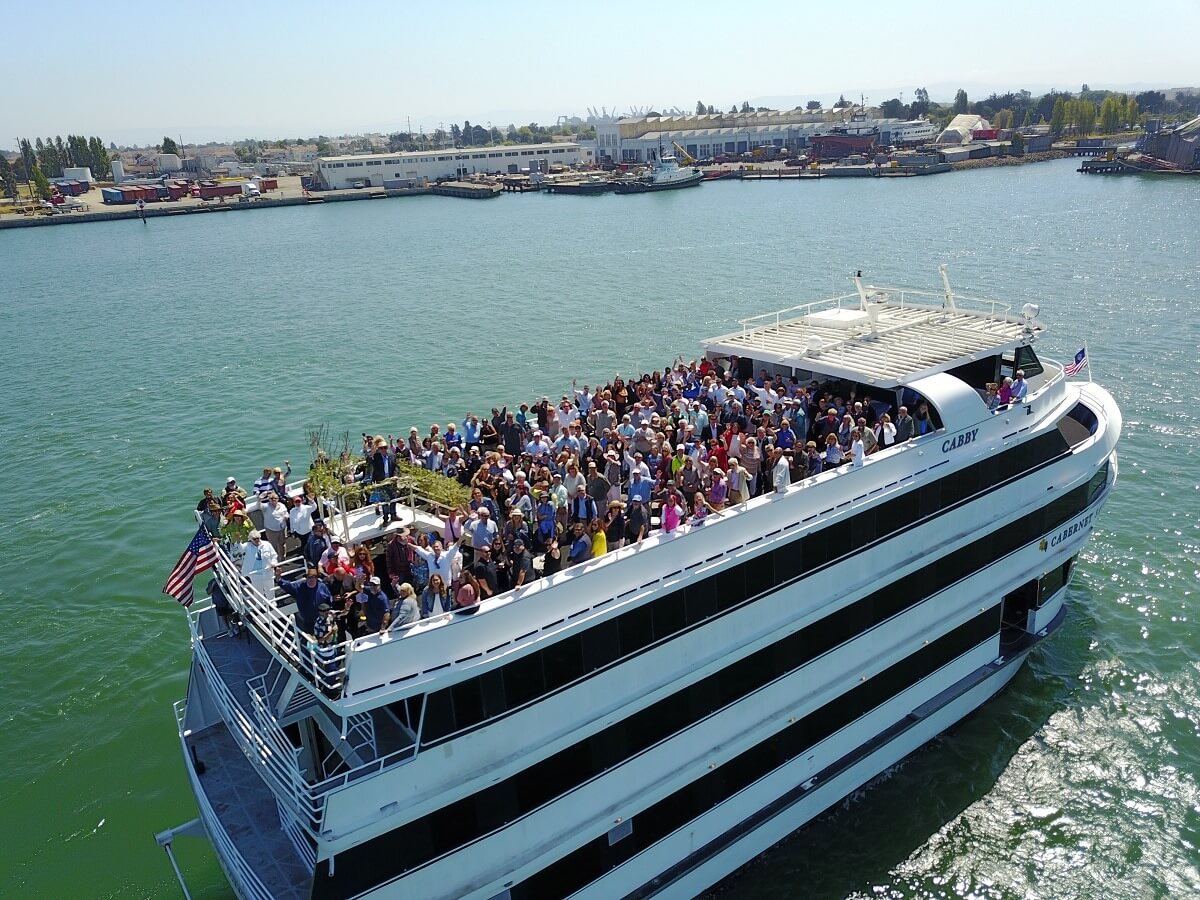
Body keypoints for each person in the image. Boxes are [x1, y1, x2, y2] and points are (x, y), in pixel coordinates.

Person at [277, 567, 332, 635]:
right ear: (306, 578)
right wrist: (279, 578)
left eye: (313, 577)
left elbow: (329, 599)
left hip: (322, 618)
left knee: (325, 634)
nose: (311, 579)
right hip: (307, 619)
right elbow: (288, 586)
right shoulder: (299, 587)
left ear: (316, 578)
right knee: (310, 635)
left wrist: (328, 610)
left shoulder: (323, 587)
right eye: (309, 577)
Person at [240, 530, 278, 598]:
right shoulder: (247, 546)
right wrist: (237, 541)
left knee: (270, 589)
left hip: (267, 571)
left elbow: (274, 555)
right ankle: (260, 603)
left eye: (258, 538)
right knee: (258, 592)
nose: (257, 540)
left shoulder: (267, 544)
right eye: (254, 539)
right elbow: (239, 549)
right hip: (255, 573)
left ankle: (272, 601)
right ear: (250, 540)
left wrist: (274, 563)